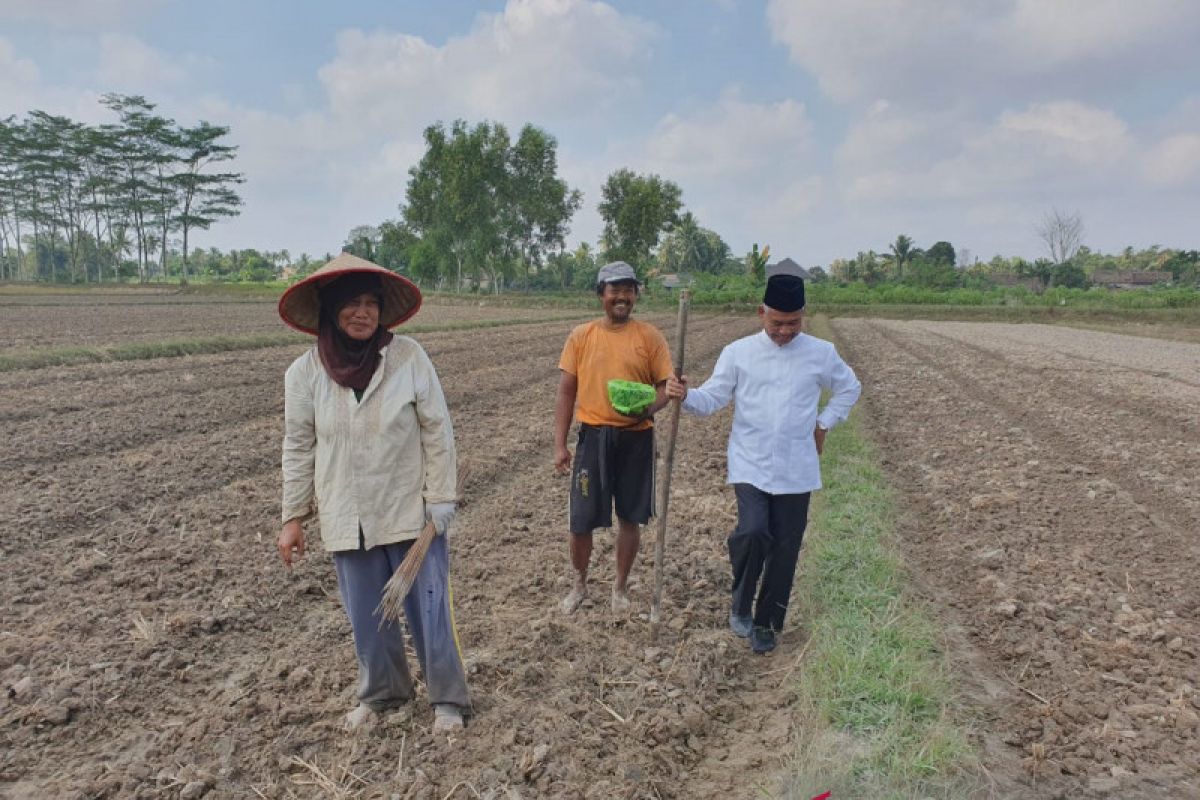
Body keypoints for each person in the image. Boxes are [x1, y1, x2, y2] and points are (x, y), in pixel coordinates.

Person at [275, 252, 470, 732]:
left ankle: (448, 699)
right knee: (367, 615)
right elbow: (298, 445)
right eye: (351, 303)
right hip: (347, 511)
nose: (362, 313)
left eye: (370, 304)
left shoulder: (408, 358)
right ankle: (384, 694)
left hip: (411, 510)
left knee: (430, 609)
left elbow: (436, 428)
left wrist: (441, 497)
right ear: (331, 309)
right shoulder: (303, 374)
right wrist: (292, 516)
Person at [665, 271, 861, 654]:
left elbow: (850, 388)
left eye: (793, 323)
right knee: (753, 533)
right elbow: (712, 399)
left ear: (803, 316)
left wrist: (824, 424)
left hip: (797, 467)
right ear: (761, 313)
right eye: (777, 323)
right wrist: (684, 395)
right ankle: (740, 600)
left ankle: (767, 623)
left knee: (785, 549)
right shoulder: (739, 353)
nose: (785, 331)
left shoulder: (821, 354)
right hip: (750, 463)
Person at [555, 261, 674, 615]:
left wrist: (648, 408)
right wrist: (560, 444)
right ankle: (579, 584)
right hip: (593, 439)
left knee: (630, 517)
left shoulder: (649, 337)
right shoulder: (582, 336)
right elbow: (565, 392)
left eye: (628, 290)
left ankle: (619, 588)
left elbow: (665, 386)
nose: (621, 297)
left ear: (636, 294)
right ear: (601, 295)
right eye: (614, 290)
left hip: (637, 437)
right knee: (581, 520)